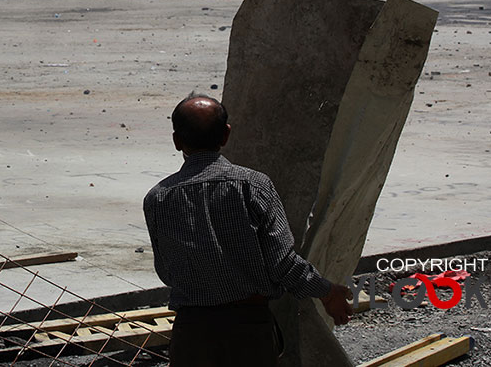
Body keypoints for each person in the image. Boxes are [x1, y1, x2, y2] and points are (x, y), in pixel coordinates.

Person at [143, 94, 353, 366]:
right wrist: (326, 292)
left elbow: (166, 271)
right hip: (248, 332)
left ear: (176, 141)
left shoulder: (158, 198)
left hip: (191, 334)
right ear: (226, 135)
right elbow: (282, 264)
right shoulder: (253, 186)